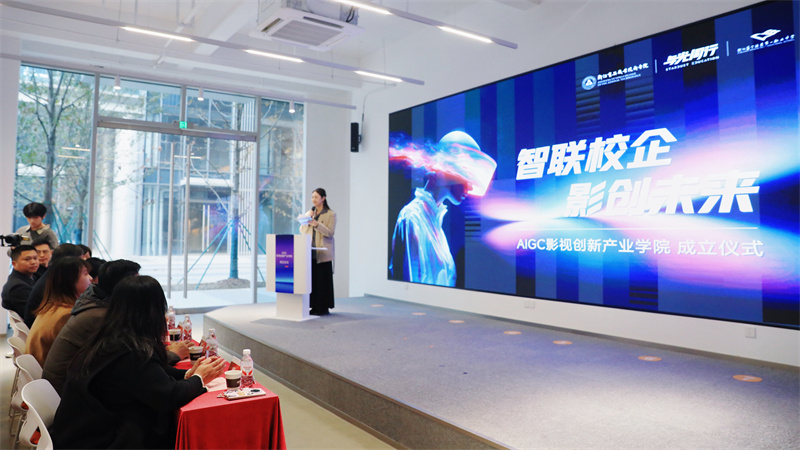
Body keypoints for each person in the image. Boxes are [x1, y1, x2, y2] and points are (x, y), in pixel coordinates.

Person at [50, 275, 227, 449]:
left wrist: (188, 374)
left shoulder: (112, 335)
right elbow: (168, 396)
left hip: (80, 431)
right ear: (152, 311)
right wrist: (199, 378)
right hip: (99, 439)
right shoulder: (131, 351)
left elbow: (153, 374)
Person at [43, 259, 190, 394]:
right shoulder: (103, 317)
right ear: (125, 287)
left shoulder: (96, 301)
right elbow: (137, 363)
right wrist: (173, 355)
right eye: (135, 281)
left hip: (72, 387)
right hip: (68, 392)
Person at [388, 130, 497, 287]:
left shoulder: (435, 225)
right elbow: (408, 289)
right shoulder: (412, 218)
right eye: (466, 175)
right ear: (447, 169)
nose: (471, 186)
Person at [25, 256, 92, 366]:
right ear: (70, 280)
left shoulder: (53, 305)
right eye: (85, 274)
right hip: (50, 372)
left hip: (42, 367)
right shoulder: (66, 315)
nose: (90, 278)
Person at [23, 243, 85, 327]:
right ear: (69, 262)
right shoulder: (55, 281)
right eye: (80, 261)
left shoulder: (52, 274)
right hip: (40, 326)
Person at [299, 188, 336, 315]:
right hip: (310, 251)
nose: (313, 199)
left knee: (322, 280)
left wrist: (317, 224)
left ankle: (323, 307)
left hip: (323, 252)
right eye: (312, 197)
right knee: (313, 280)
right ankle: (314, 306)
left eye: (316, 197)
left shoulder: (330, 214)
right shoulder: (310, 213)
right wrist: (306, 219)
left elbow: (330, 232)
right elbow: (302, 231)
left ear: (323, 198)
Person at [1, 245, 39, 318]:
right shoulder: (18, 287)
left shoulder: (31, 277)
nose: (33, 262)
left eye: (35, 258)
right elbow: (32, 315)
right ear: (14, 264)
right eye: (27, 259)